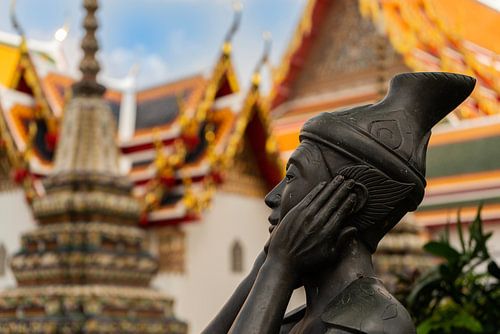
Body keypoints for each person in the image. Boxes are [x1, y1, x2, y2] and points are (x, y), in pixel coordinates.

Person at [203, 72, 475, 334]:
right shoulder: (294, 322)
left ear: (346, 203)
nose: (272, 196)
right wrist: (267, 267)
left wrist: (278, 267)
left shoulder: (375, 323)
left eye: (291, 176)